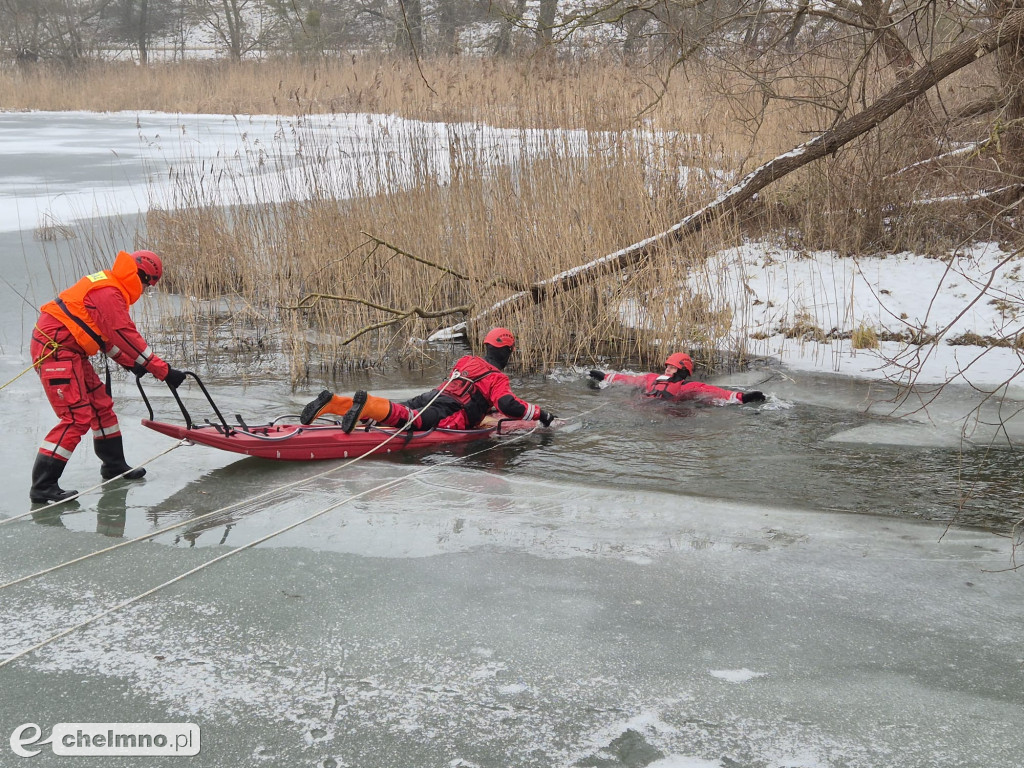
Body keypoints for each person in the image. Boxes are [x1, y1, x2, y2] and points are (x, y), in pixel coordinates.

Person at [28, 249, 188, 504]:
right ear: (142, 275)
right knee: (76, 417)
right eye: (148, 285)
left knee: (101, 407)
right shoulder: (109, 292)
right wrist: (163, 371)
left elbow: (104, 338)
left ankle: (114, 466)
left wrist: (131, 364)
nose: (146, 290)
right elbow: (124, 335)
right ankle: (43, 486)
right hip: (55, 351)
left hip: (72, 352)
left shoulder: (110, 286)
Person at [300, 327, 556, 433]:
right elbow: (507, 405)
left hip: (433, 396)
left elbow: (475, 391)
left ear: (486, 345)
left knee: (398, 410)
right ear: (509, 351)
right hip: (450, 411)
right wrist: (540, 413)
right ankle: (367, 405)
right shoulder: (498, 377)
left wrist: (486, 406)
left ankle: (335, 403)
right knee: (410, 420)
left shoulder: (466, 360)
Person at [588, 352, 766, 405]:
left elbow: (717, 392)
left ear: (682, 370)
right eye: (667, 366)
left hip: (668, 411)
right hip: (644, 405)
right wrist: (605, 377)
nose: (667, 368)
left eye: (672, 367)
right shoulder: (651, 378)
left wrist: (743, 397)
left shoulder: (688, 387)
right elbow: (628, 379)